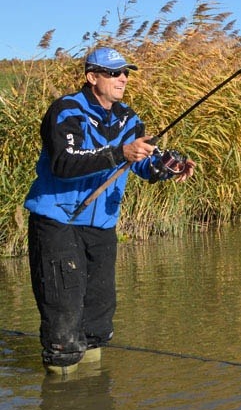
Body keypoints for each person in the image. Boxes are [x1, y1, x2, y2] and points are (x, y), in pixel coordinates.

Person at [23, 47, 196, 375]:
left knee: (98, 317)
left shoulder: (130, 119)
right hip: (58, 220)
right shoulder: (66, 111)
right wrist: (120, 152)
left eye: (126, 73)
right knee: (63, 313)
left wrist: (167, 168)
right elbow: (63, 162)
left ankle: (93, 392)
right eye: (114, 73)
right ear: (92, 78)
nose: (123, 79)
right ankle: (61, 387)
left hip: (101, 225)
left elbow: (142, 166)